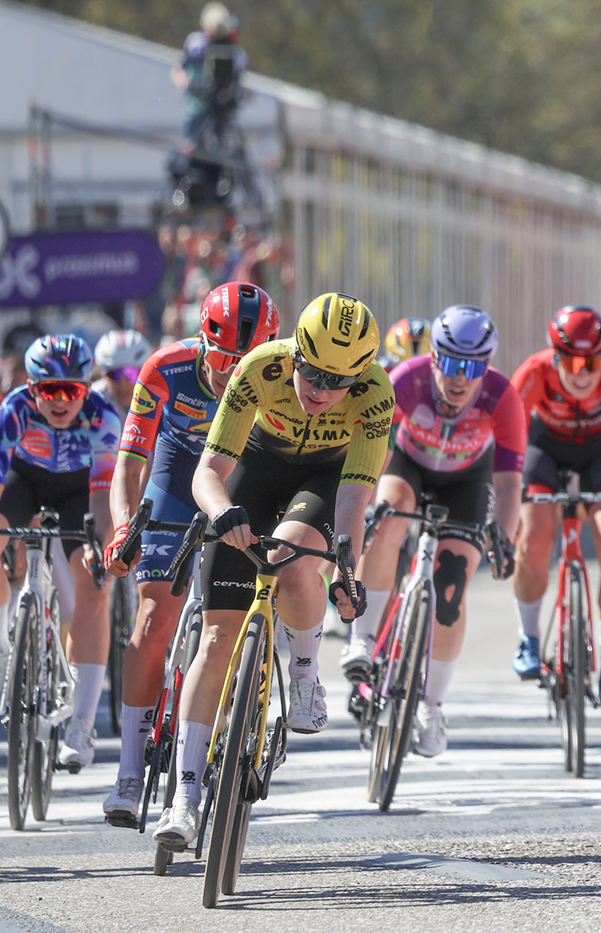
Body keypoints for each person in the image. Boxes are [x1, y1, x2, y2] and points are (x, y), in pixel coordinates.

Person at [152, 293, 391, 848]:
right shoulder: (260, 367)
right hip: (256, 467)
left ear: (360, 377)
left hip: (325, 481)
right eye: (312, 373)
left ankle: (305, 675)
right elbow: (208, 472)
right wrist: (224, 512)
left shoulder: (376, 394)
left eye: (339, 383)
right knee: (215, 641)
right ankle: (184, 799)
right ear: (295, 354)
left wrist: (344, 567)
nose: (322, 391)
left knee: (287, 556)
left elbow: (355, 497)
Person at [100, 283, 278, 827]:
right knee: (154, 619)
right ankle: (129, 774)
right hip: (175, 482)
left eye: (244, 361)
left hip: (242, 485)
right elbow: (129, 464)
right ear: (202, 342)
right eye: (223, 358)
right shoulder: (165, 369)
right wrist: (125, 527)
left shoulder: (278, 376)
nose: (231, 373)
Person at [348, 306, 524, 756]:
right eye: (449, 363)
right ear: (433, 358)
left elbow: (508, 485)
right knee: (389, 516)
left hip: (468, 480)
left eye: (472, 367)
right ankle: (363, 641)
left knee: (451, 588)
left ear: (486, 366)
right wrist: (364, 507)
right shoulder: (407, 380)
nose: (459, 378)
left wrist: (503, 536)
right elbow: (374, 452)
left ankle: (432, 704)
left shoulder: (503, 399)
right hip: (409, 467)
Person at [510, 306, 601, 709]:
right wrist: (506, 507)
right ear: (555, 356)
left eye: (593, 362)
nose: (583, 372)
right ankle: (529, 639)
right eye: (571, 360)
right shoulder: (533, 373)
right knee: (535, 537)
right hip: (543, 451)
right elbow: (510, 448)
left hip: (599, 456)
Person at [0, 336, 120, 769]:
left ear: (86, 389)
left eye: (71, 389)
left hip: (81, 489)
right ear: (32, 389)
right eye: (49, 390)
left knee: (94, 584)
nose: (60, 400)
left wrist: (99, 548)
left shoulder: (103, 417)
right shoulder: (13, 409)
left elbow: (107, 492)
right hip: (24, 479)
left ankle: (81, 724)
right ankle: (3, 642)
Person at [170, 2, 246, 147]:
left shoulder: (232, 52)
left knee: (221, 145)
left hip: (221, 112)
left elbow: (235, 81)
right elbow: (178, 69)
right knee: (191, 145)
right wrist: (184, 80)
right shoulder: (196, 44)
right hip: (198, 106)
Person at [92, 330, 155, 412]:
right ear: (102, 374)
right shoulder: (91, 401)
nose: (123, 386)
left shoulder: (162, 398)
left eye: (131, 374)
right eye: (113, 374)